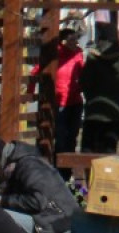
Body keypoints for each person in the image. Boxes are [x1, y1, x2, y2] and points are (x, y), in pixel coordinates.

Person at [79, 22, 119, 154]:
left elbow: (84, 83)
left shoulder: (93, 58)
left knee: (88, 150)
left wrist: (91, 97)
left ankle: (88, 174)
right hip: (116, 113)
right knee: (108, 154)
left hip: (94, 111)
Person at [30, 28, 84, 161]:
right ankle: (55, 167)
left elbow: (83, 74)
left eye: (76, 39)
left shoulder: (78, 54)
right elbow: (35, 71)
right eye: (71, 39)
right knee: (59, 138)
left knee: (71, 138)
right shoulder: (54, 55)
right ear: (63, 41)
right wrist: (30, 91)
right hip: (59, 102)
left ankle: (66, 171)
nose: (75, 43)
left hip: (75, 102)